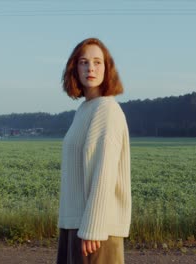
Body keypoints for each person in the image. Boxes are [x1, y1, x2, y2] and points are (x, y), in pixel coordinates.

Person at [57, 37, 131, 264]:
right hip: (76, 225)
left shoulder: (107, 109)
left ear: (107, 68)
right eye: (84, 62)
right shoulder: (84, 110)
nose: (91, 68)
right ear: (74, 68)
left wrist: (93, 228)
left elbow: (104, 172)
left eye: (97, 62)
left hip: (96, 232)